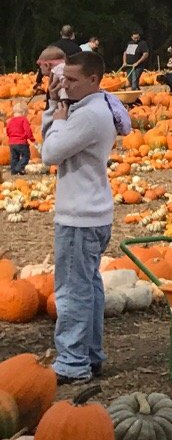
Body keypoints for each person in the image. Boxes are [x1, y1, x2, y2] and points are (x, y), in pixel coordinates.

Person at [41, 49, 119, 383]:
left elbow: (49, 152)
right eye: (64, 78)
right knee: (88, 287)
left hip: (79, 216)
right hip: (95, 213)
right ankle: (90, 354)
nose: (66, 86)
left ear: (93, 79)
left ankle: (72, 361)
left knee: (72, 292)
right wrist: (55, 102)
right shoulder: (92, 107)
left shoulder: (89, 116)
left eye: (72, 80)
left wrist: (55, 118)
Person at [6, 100, 34, 175]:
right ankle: (19, 168)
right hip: (22, 143)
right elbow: (28, 131)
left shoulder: (10, 121)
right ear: (24, 113)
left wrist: (10, 137)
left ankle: (13, 171)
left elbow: (8, 131)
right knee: (26, 156)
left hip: (12, 143)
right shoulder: (23, 120)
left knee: (14, 157)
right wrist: (32, 139)